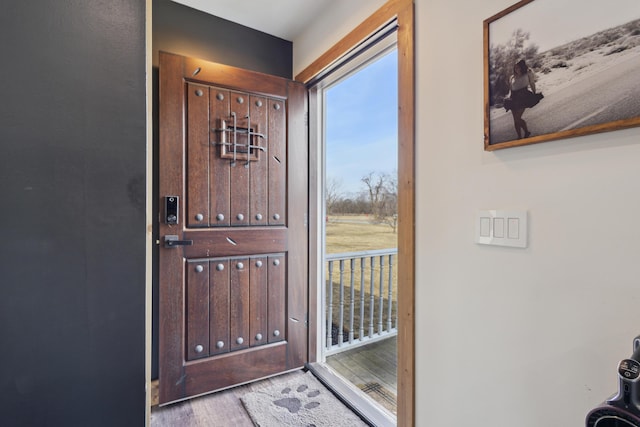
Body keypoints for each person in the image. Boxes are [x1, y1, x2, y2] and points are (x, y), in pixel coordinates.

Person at [503, 59, 543, 139]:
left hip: (523, 96)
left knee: (518, 118)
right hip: (513, 98)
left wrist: (534, 93)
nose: (517, 69)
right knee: (515, 120)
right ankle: (520, 136)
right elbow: (511, 89)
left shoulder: (528, 73)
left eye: (518, 67)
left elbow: (532, 83)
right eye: (515, 68)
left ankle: (526, 132)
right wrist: (508, 97)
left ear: (522, 67)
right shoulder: (512, 77)